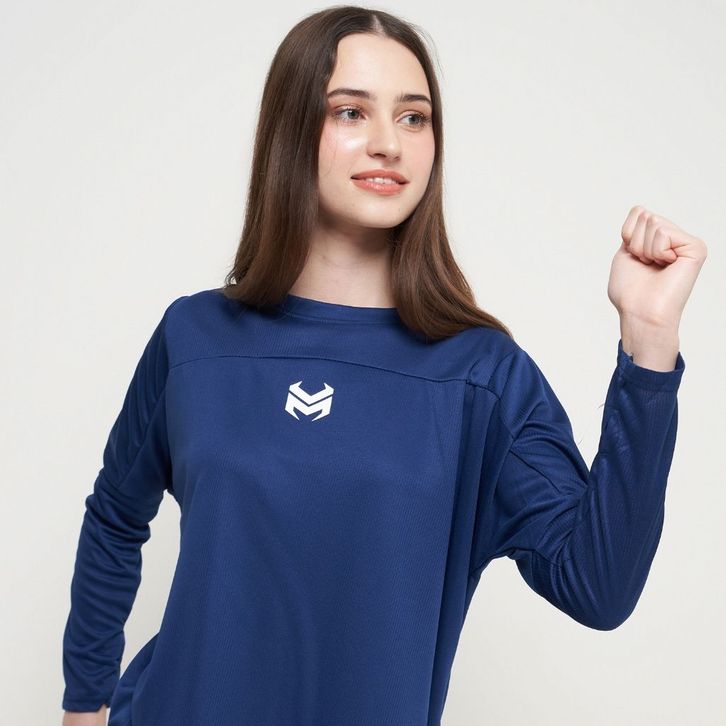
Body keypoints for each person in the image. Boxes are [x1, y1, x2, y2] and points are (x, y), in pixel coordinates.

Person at [61, 6, 706, 726]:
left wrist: (649, 343)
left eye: (413, 118)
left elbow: (599, 587)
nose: (387, 144)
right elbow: (115, 515)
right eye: (350, 112)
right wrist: (84, 704)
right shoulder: (195, 339)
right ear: (291, 129)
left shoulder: (481, 376)